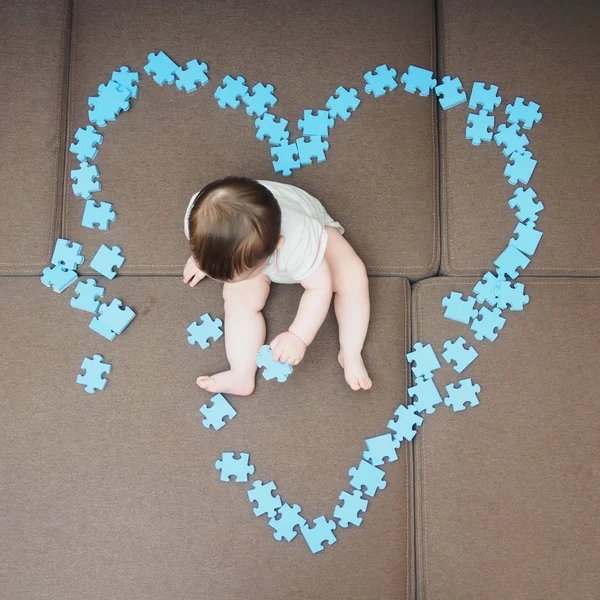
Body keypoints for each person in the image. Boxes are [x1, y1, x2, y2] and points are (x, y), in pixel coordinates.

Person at [183, 176, 371, 395]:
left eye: (240, 274)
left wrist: (298, 336)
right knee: (238, 300)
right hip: (250, 246)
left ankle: (350, 352)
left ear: (276, 247)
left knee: (352, 276)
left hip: (310, 231)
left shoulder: (301, 239)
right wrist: (203, 259)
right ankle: (241, 374)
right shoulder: (197, 215)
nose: (228, 282)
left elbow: (319, 289)